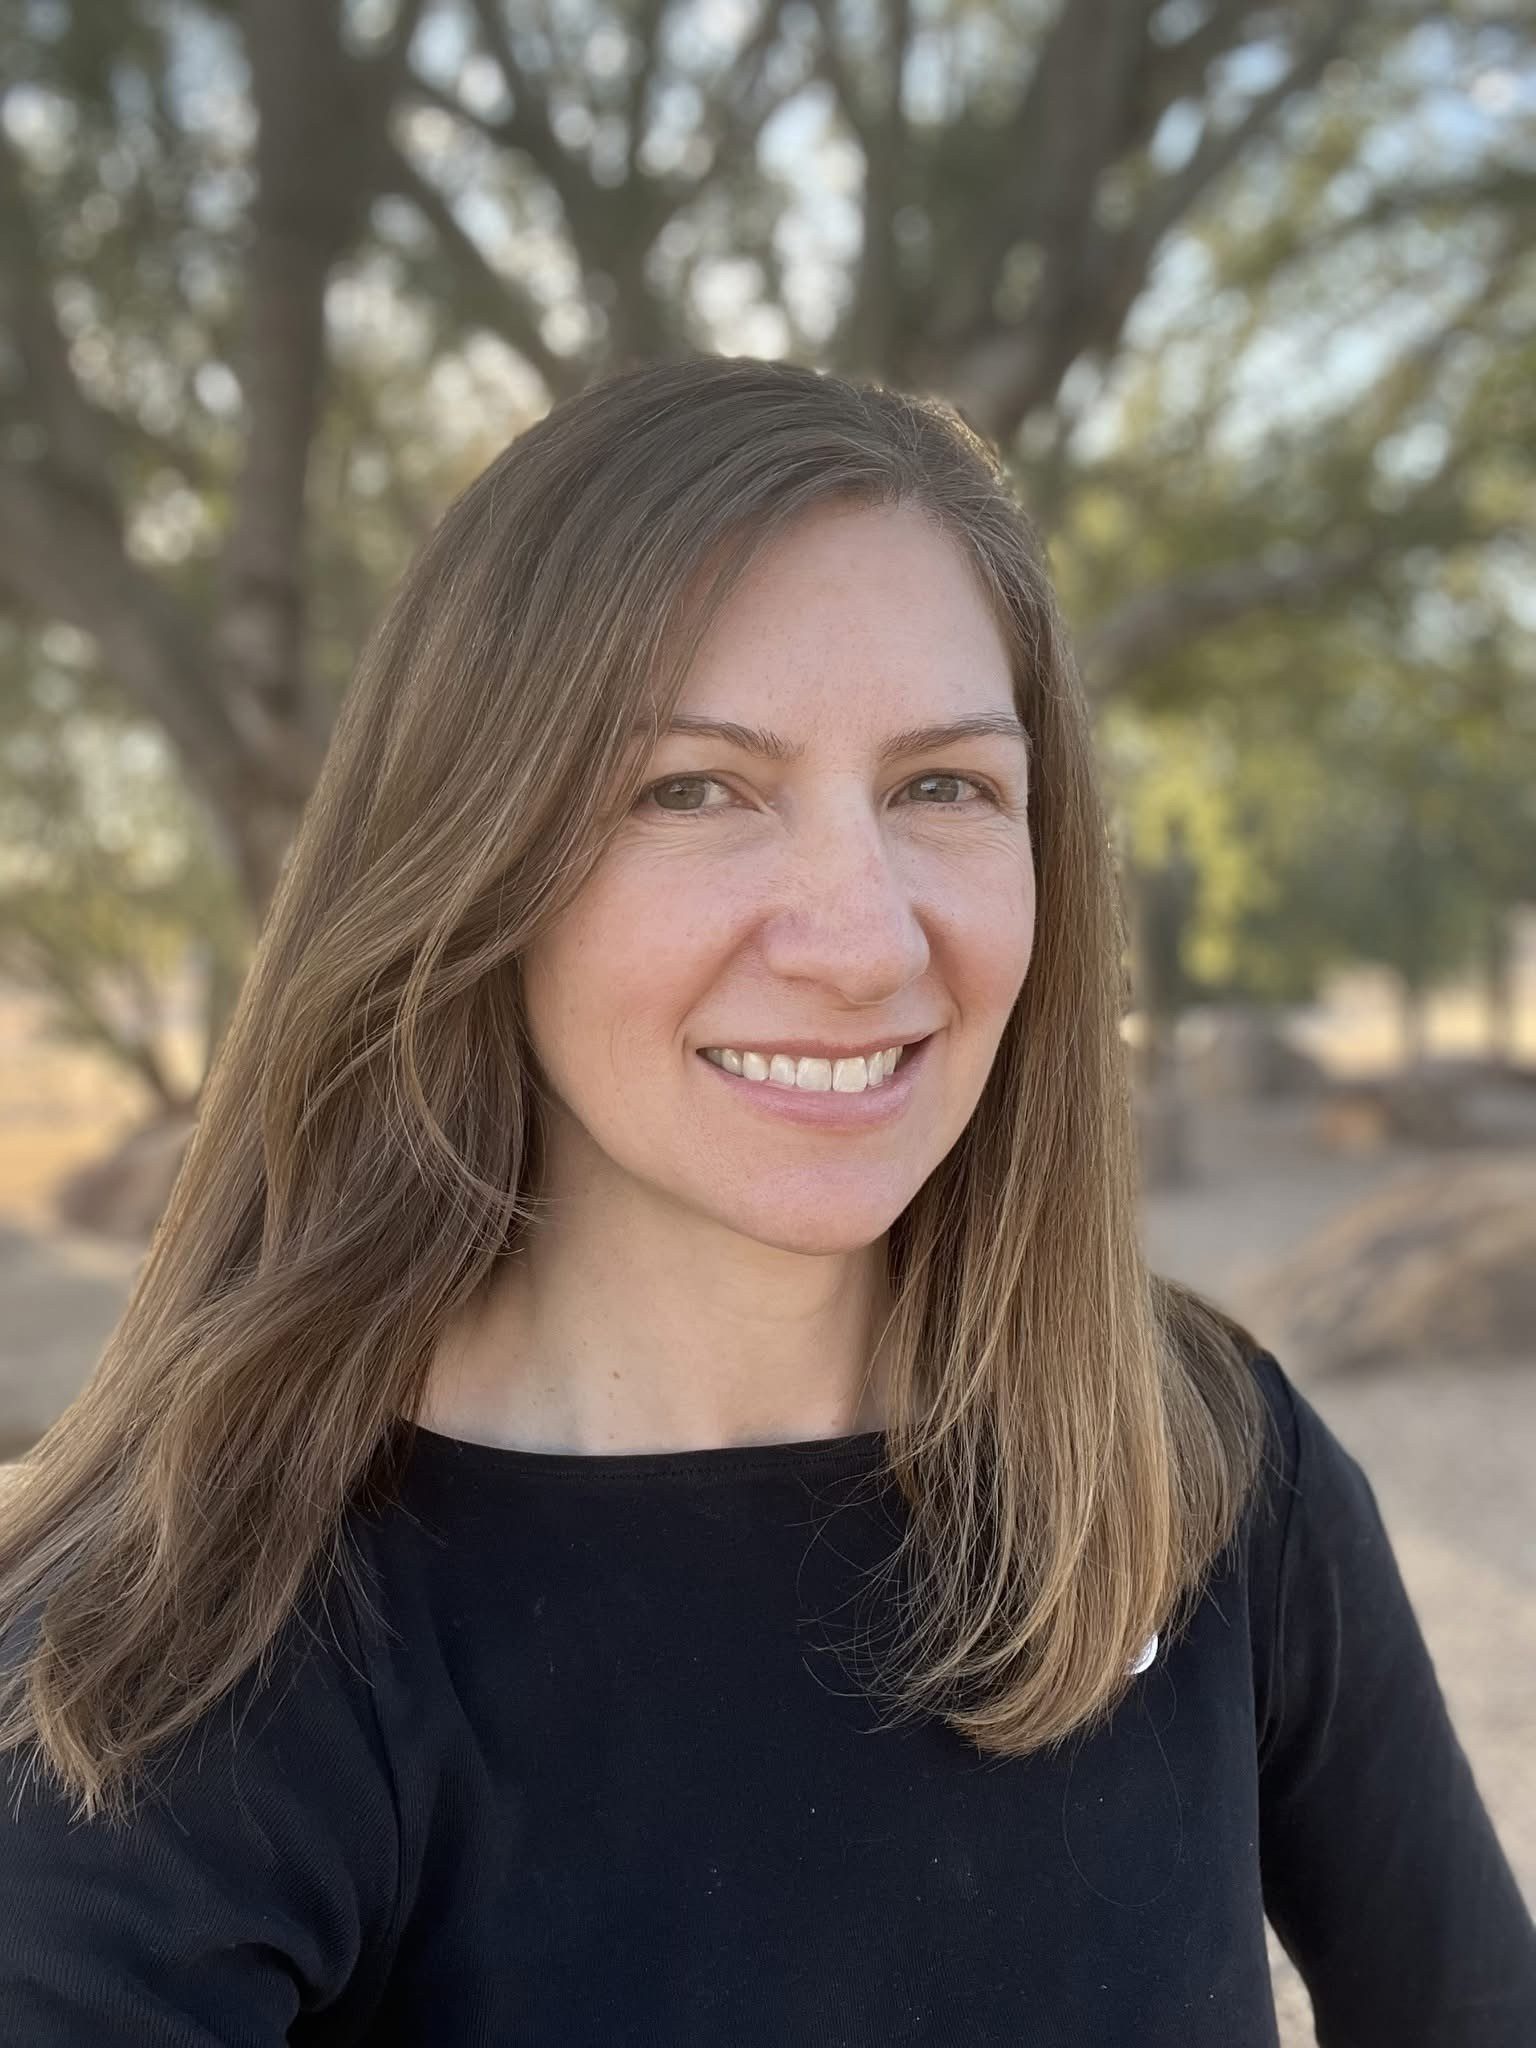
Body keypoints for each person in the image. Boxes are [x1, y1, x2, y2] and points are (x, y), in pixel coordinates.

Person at [1, 354, 1532, 2046]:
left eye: (942, 786)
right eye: (692, 790)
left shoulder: (1205, 1469)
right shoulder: (177, 1659)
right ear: (470, 857)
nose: (866, 939)